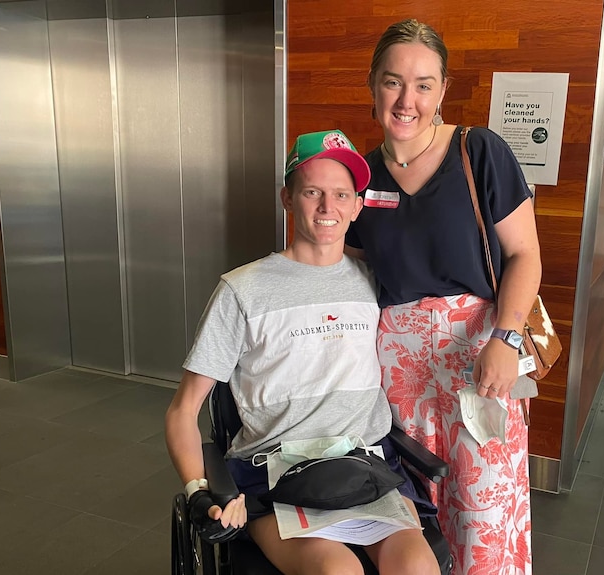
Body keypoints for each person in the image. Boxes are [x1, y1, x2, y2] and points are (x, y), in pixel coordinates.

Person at [165, 129, 441, 575]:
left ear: (357, 205)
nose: (327, 207)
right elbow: (183, 410)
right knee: (338, 573)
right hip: (275, 477)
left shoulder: (376, 283)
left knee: (418, 570)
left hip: (363, 468)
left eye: (341, 194)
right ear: (288, 199)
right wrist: (200, 488)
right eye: (312, 192)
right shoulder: (242, 290)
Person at [345, 19, 542, 575]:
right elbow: (357, 273)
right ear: (372, 85)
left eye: (424, 84)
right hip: (397, 373)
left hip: (479, 357)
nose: (408, 100)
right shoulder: (363, 174)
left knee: (483, 510)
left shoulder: (477, 152)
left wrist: (505, 338)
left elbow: (525, 255)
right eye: (393, 82)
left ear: (443, 90)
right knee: (415, 514)